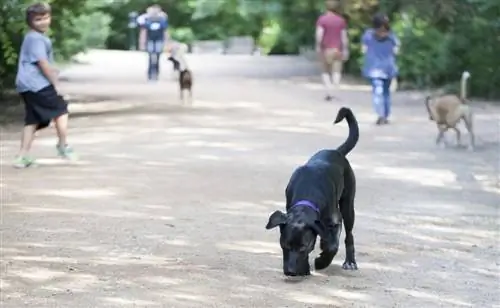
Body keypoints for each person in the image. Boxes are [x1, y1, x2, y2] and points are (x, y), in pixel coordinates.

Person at [13, 2, 77, 168]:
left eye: (45, 17)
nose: (43, 22)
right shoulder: (35, 38)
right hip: (36, 84)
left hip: (26, 84)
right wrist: (56, 85)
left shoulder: (34, 37)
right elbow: (42, 63)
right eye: (38, 19)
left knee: (32, 120)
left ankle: (22, 156)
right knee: (61, 110)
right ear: (31, 22)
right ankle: (63, 146)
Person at [361, 13, 400, 125]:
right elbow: (396, 51)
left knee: (378, 92)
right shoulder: (392, 36)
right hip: (388, 68)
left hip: (374, 69)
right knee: (386, 92)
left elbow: (363, 49)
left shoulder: (368, 35)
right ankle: (385, 115)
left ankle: (381, 115)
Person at [315, 0, 349, 101]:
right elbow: (344, 37)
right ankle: (335, 91)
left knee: (325, 71)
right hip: (337, 49)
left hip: (326, 49)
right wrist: (346, 49)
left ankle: (328, 91)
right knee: (336, 72)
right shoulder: (341, 20)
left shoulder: (322, 20)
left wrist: (318, 46)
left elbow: (319, 35)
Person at [137, 5, 169, 81]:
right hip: (150, 41)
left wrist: (167, 43)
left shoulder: (162, 20)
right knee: (150, 58)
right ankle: (150, 74)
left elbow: (165, 32)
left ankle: (156, 73)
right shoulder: (147, 20)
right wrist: (142, 43)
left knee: (157, 58)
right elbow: (143, 32)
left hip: (159, 41)